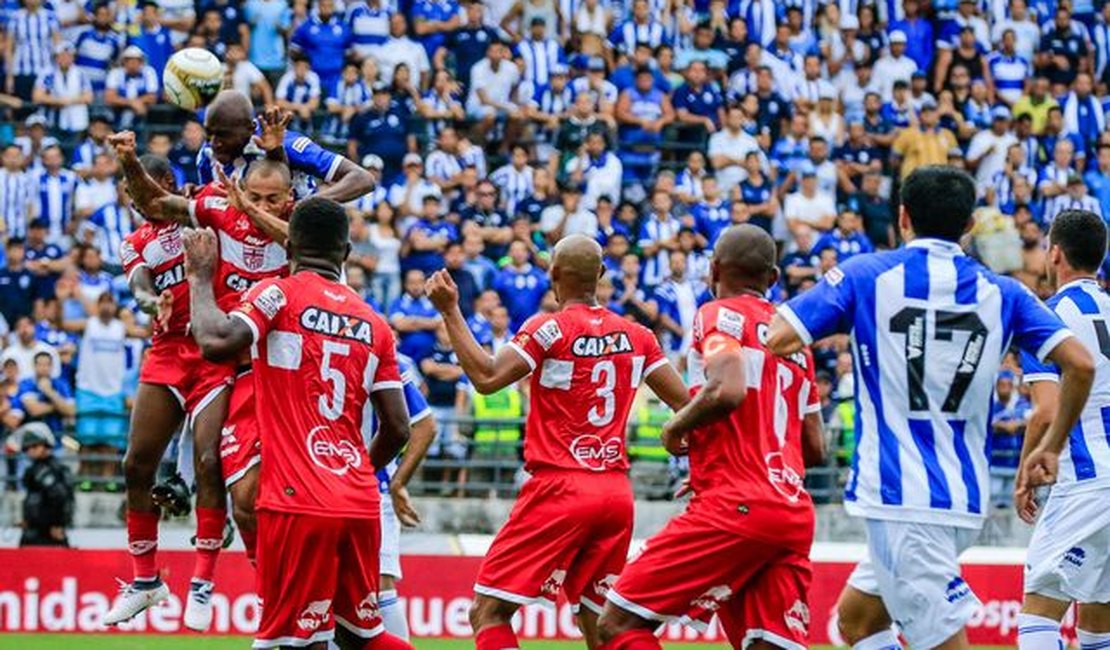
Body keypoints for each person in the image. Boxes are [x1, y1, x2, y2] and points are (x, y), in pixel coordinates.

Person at [766, 166, 1095, 650]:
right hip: (961, 491)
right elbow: (1081, 365)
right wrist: (1051, 446)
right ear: (968, 226)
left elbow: (779, 337)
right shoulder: (1005, 292)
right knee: (857, 620)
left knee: (939, 641)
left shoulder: (866, 275)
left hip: (901, 495)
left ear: (902, 217)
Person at [424, 235, 690, 650]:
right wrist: (698, 459)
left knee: (488, 612)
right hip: (616, 493)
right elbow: (690, 405)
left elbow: (488, 378)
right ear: (601, 275)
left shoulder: (548, 328)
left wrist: (450, 311)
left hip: (560, 486)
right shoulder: (639, 336)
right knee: (607, 625)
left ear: (552, 276)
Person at [183, 197, 414, 650]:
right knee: (360, 635)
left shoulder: (277, 295)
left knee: (285, 641)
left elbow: (214, 340)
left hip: (297, 500)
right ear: (346, 254)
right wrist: (357, 471)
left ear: (288, 245)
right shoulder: (375, 322)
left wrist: (200, 278)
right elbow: (399, 428)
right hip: (357, 501)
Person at [597, 224, 825, 650]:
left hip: (735, 504)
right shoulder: (796, 342)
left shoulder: (717, 314)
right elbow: (815, 447)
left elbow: (728, 388)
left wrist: (676, 425)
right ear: (773, 279)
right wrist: (724, 453)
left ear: (714, 269)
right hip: (791, 512)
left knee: (619, 624)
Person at [104, 117, 290, 630]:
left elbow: (257, 190)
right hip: (167, 350)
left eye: (146, 189)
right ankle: (145, 581)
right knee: (136, 463)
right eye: (131, 193)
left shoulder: (208, 215)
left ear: (175, 188)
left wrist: (260, 158)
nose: (138, 199)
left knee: (211, 461)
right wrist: (150, 299)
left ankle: (203, 581)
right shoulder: (137, 240)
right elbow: (140, 281)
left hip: (217, 351)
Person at [1016, 209, 1110, 650]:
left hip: (1086, 482)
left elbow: (1046, 411)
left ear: (1054, 253)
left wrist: (1025, 473)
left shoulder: (1046, 319)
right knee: (1097, 621)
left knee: (1039, 610)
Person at [197, 90, 374, 202]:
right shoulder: (207, 153)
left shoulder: (289, 145)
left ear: (250, 129)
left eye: (224, 135)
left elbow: (363, 179)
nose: (215, 142)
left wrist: (309, 206)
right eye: (209, 133)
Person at [17, 422, 74, 547]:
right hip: (33, 531)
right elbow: (32, 498)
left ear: (45, 445)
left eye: (34, 446)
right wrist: (27, 518)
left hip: (49, 534)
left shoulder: (53, 469)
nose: (30, 450)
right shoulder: (33, 469)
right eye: (27, 448)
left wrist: (58, 524)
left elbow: (61, 497)